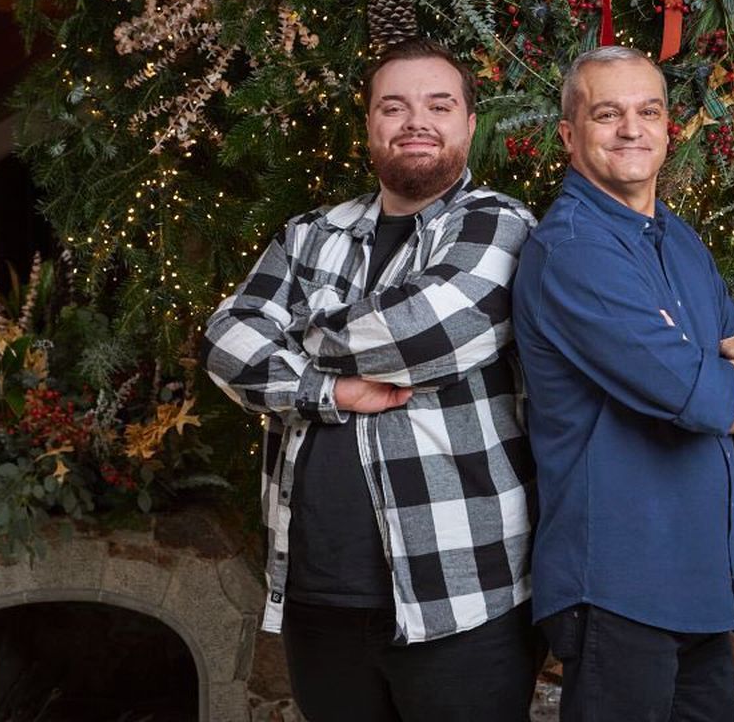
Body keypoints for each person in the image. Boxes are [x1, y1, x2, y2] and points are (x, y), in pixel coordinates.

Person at [202, 38, 539, 722]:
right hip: (317, 593)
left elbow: (425, 331)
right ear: (370, 126)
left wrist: (296, 332)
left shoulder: (500, 224)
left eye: (438, 105)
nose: (416, 120)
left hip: (459, 592)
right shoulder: (309, 233)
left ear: (471, 124)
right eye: (394, 105)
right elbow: (223, 339)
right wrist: (328, 392)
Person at [512, 46, 734, 722]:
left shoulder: (679, 239)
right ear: (570, 135)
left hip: (696, 581)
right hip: (619, 586)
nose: (632, 129)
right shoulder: (574, 250)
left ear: (669, 128)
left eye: (649, 111)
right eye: (607, 114)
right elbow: (714, 398)